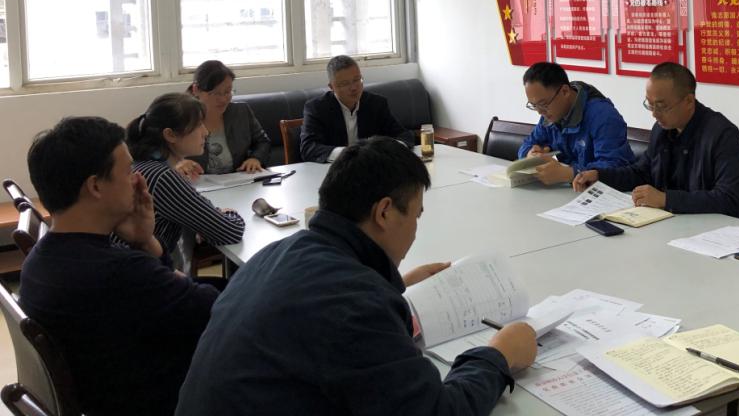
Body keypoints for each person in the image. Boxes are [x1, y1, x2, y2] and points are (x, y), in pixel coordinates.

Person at [175, 137, 537, 416]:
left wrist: (393, 284)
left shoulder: (278, 254)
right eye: (416, 216)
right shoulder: (354, 305)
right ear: (384, 212)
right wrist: (498, 356)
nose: (415, 230)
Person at [18, 117, 219, 416]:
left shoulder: (41, 258)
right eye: (128, 171)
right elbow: (220, 311)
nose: (137, 180)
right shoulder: (118, 273)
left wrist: (145, 241)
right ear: (95, 186)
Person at [572, 62, 739, 216]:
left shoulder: (723, 136)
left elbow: (729, 199)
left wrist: (666, 199)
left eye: (662, 106)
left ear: (689, 101)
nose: (655, 114)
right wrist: (600, 176)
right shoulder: (662, 129)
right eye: (650, 105)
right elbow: (641, 173)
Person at [126, 93, 245, 266]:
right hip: (145, 277)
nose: (206, 132)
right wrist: (227, 213)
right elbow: (230, 232)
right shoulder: (163, 177)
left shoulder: (144, 165)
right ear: (170, 135)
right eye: (198, 125)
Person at [517, 61, 632, 184]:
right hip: (569, 190)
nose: (539, 112)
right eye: (534, 105)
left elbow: (614, 165)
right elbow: (528, 143)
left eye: (543, 104)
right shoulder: (549, 114)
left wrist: (570, 173)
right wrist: (530, 154)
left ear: (565, 91)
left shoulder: (603, 116)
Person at [300, 55, 415, 163]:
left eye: (357, 80)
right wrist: (349, 153)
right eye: (345, 84)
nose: (353, 88)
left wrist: (392, 150)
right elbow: (308, 148)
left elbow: (404, 135)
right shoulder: (316, 108)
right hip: (334, 170)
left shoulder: (376, 104)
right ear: (332, 87)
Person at [187, 59, 271, 174]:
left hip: (239, 179)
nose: (223, 99)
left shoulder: (241, 112)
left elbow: (263, 141)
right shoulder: (182, 118)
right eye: (216, 93)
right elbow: (166, 153)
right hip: (198, 182)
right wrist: (179, 163)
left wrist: (256, 158)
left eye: (227, 92)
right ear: (196, 90)